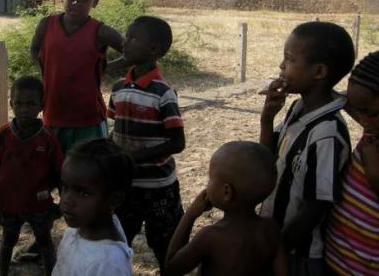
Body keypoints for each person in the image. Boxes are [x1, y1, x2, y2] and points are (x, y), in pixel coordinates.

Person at [259, 21, 355, 275]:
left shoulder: (327, 133)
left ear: (319, 71)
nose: (281, 66)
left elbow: (315, 207)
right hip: (276, 242)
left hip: (298, 257)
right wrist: (267, 120)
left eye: (289, 59)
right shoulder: (297, 109)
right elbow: (267, 160)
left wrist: (276, 252)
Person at [108, 15, 186, 275]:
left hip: (159, 188)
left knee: (165, 244)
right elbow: (116, 128)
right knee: (119, 241)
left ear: (154, 49)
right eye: (125, 36)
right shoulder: (118, 88)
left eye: (132, 38)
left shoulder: (163, 93)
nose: (124, 42)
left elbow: (177, 142)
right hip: (127, 185)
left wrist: (136, 155)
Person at [30, 0, 125, 154]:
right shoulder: (46, 25)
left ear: (95, 1)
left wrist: (104, 68)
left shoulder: (100, 31)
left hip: (88, 120)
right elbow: (34, 49)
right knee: (56, 172)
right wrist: (45, 69)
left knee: (90, 172)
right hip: (53, 115)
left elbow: (131, 51)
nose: (76, 2)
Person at [165, 141, 289, 276]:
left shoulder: (209, 236)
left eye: (210, 178)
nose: (208, 184)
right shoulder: (271, 229)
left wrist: (189, 215)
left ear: (226, 192)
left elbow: (172, 267)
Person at [0, 76, 64, 276]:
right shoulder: (2, 135)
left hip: (39, 203)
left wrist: (62, 203)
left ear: (41, 106)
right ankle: (3, 272)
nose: (24, 109)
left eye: (30, 104)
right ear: (11, 104)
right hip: (8, 202)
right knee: (8, 241)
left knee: (45, 241)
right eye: (19, 103)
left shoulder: (47, 138)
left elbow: (59, 172)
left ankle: (50, 272)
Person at [325, 51, 379, 275]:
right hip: (337, 256)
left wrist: (372, 165)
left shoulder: (372, 145)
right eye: (358, 110)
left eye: (369, 113)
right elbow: (349, 101)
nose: (362, 120)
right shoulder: (374, 130)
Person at [53, 138, 135, 276]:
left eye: (83, 193)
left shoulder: (108, 264)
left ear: (114, 200)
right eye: (65, 187)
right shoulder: (79, 229)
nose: (67, 200)